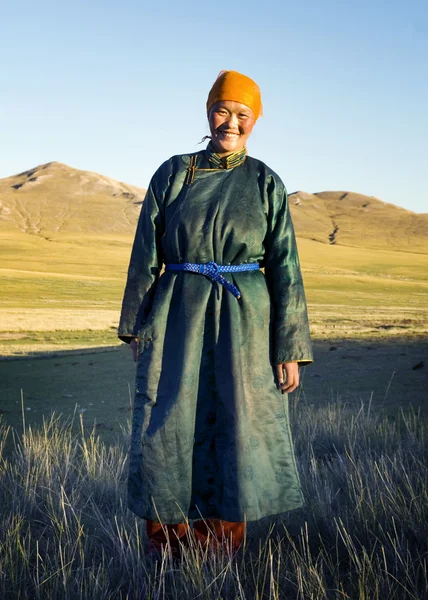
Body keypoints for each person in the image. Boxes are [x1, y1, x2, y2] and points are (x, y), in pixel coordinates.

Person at [118, 70, 313, 558]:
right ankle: (166, 555)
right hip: (176, 313)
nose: (231, 122)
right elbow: (145, 253)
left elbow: (285, 267)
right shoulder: (174, 172)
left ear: (255, 121)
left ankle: (221, 556)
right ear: (209, 114)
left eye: (242, 114)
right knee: (168, 422)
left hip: (245, 321)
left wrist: (289, 348)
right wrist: (137, 324)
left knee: (236, 423)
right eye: (223, 111)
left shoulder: (266, 181)